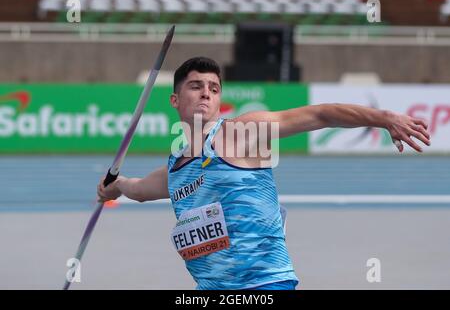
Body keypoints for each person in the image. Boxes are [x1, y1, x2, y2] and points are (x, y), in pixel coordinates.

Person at [97, 57, 430, 290]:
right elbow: (139, 189)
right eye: (196, 86)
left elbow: (321, 115)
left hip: (264, 284)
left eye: (214, 88)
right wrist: (116, 186)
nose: (206, 93)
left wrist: (383, 117)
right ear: (175, 99)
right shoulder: (177, 166)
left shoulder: (240, 133)